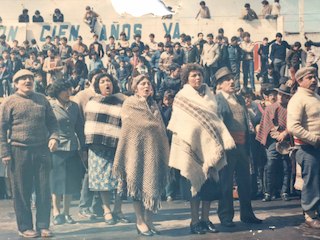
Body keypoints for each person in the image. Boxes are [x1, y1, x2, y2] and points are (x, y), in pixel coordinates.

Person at [168, 64, 235, 234]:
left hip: (210, 147)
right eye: (193, 76)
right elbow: (180, 122)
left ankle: (206, 220)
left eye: (199, 75)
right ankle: (194, 221)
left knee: (209, 188)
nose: (197, 78)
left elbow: (216, 119)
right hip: (191, 147)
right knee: (194, 187)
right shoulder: (182, 97)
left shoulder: (210, 95)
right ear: (186, 79)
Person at [0, 69, 59, 238]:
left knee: (44, 189)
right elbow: (1, 129)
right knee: (21, 190)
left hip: (41, 150)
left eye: (30, 78)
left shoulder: (42, 100)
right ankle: (24, 226)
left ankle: (43, 226)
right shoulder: (9, 102)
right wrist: (5, 152)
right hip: (18, 150)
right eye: (23, 78)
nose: (27, 81)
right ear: (16, 83)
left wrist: (54, 138)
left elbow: (53, 124)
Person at [113, 74, 169, 236]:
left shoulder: (154, 105)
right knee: (137, 186)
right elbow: (134, 124)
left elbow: (160, 128)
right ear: (135, 88)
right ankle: (140, 221)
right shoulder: (130, 104)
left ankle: (149, 221)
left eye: (148, 84)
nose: (146, 86)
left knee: (153, 185)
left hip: (154, 150)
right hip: (136, 151)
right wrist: (153, 125)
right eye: (142, 84)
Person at [215, 67, 262, 227]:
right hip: (227, 148)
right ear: (219, 84)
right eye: (226, 80)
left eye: (232, 78)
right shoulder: (217, 99)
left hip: (243, 146)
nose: (231, 81)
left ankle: (247, 214)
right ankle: (226, 217)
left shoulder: (240, 99)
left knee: (245, 182)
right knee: (226, 183)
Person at [85, 73, 130, 225]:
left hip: (118, 145)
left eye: (108, 81)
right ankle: (107, 210)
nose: (106, 84)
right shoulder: (92, 102)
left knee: (120, 179)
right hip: (97, 146)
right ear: (97, 86)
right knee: (101, 179)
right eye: (102, 82)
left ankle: (118, 209)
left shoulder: (122, 101)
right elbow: (90, 123)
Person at [47, 80, 85, 225]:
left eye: (69, 90)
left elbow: (79, 128)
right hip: (56, 148)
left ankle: (67, 213)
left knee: (70, 182)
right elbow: (47, 127)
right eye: (65, 90)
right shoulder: (50, 106)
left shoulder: (74, 106)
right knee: (56, 182)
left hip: (72, 148)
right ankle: (57, 212)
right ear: (57, 92)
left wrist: (83, 148)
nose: (68, 93)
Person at [287, 67, 320, 229]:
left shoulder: (315, 97)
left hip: (316, 148)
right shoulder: (297, 99)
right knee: (311, 182)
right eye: (309, 77)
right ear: (300, 81)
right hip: (307, 148)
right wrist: (314, 139)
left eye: (315, 77)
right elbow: (293, 126)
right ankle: (309, 215)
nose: (314, 80)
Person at [256, 84, 292, 202]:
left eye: (284, 95)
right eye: (280, 94)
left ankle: (285, 191)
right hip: (272, 140)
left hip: (287, 140)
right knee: (270, 164)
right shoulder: (270, 108)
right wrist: (275, 133)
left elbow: (294, 123)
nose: (281, 97)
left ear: (288, 97)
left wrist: (285, 133)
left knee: (286, 166)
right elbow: (267, 124)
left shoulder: (291, 108)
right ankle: (268, 192)